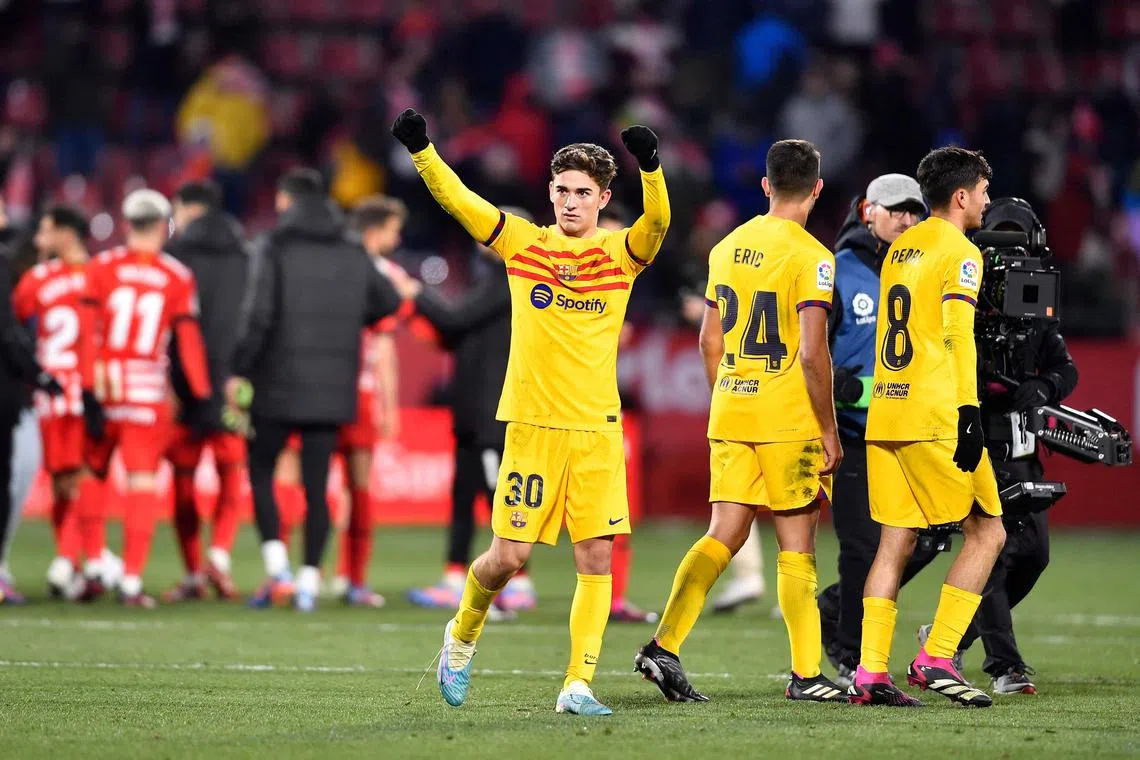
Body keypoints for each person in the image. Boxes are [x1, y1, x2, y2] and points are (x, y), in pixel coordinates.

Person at [392, 107, 669, 716]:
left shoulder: (621, 254)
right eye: (562, 191)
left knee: (595, 558)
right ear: (550, 193)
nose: (570, 202)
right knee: (507, 560)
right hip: (533, 428)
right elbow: (460, 201)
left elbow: (659, 221)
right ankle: (460, 638)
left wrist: (651, 167)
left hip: (595, 430)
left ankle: (577, 685)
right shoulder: (525, 244)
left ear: (602, 198)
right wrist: (422, 151)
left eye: (582, 193)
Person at [635, 139, 847, 704]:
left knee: (723, 532)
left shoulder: (727, 246)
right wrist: (828, 430)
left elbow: (709, 339)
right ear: (818, 189)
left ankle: (664, 645)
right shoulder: (813, 258)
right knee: (796, 544)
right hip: (787, 420)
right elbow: (811, 353)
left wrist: (727, 395)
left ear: (765, 185)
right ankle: (806, 674)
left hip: (733, 408)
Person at [849, 147, 1006, 707]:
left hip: (885, 414)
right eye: (984, 191)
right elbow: (958, 333)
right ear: (961, 196)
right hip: (935, 414)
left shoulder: (898, 248)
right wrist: (969, 412)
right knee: (989, 531)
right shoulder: (961, 251)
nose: (987, 201)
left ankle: (869, 672)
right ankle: (936, 656)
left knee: (895, 543)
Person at [917, 197, 1078, 696]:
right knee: (993, 546)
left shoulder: (1035, 309)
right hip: (975, 437)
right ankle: (1005, 666)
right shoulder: (960, 289)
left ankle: (950, 635)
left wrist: (1043, 388)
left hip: (1021, 439)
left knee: (1033, 555)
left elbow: (1064, 368)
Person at [231, 169, 402, 612]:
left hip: (277, 383)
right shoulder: (351, 249)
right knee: (316, 480)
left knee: (263, 469)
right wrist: (347, 321)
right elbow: (389, 301)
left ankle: (278, 569)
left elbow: (258, 315)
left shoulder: (274, 244)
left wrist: (239, 369)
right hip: (334, 386)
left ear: (287, 200)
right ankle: (308, 581)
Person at [815, 174, 939, 687]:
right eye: (896, 210)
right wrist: (835, 384)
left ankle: (835, 604)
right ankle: (849, 653)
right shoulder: (837, 272)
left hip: (910, 432)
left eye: (915, 211)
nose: (906, 220)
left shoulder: (927, 270)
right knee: (863, 546)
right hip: (854, 434)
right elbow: (809, 348)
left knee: (928, 540)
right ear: (868, 211)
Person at [80, 189, 213, 608]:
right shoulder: (176, 275)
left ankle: (94, 566)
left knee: (92, 477)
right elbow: (188, 345)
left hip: (104, 386)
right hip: (146, 394)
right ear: (162, 226)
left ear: (125, 224)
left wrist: (86, 389)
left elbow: (87, 335)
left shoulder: (99, 268)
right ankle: (132, 583)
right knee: (141, 484)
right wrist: (203, 396)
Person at [404, 207, 532, 616]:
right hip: (472, 409)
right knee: (463, 495)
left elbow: (455, 318)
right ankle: (455, 574)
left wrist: (412, 292)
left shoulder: (511, 279)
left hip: (493, 411)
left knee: (500, 499)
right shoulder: (491, 282)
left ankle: (514, 582)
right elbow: (455, 331)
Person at [160, 180, 250, 603]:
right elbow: (257, 322)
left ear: (183, 208)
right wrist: (242, 376)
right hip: (232, 386)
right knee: (231, 473)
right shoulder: (248, 258)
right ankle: (220, 557)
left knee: (182, 480)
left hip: (183, 387)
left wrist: (167, 383)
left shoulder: (174, 258)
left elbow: (162, 329)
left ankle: (195, 570)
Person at [12, 206, 107, 600]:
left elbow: (11, 321)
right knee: (76, 479)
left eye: (46, 231)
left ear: (67, 234)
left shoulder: (37, 278)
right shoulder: (102, 276)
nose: (39, 239)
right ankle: (77, 561)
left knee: (67, 480)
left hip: (52, 392)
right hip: (88, 390)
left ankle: (73, 561)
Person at [327, 195, 410, 608]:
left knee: (299, 480)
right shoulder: (387, 275)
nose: (398, 238)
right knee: (358, 486)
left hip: (318, 388)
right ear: (375, 230)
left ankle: (290, 575)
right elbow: (384, 346)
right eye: (395, 230)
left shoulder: (327, 266)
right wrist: (388, 403)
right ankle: (353, 579)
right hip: (360, 392)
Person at [0, 240, 65, 604]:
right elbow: (9, 334)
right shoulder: (9, 270)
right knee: (9, 481)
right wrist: (39, 376)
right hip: (11, 394)